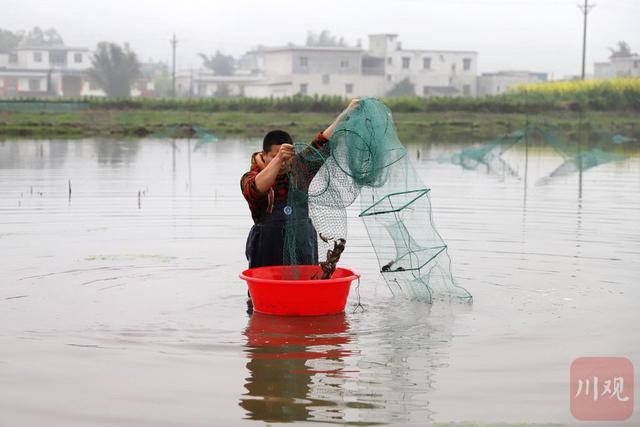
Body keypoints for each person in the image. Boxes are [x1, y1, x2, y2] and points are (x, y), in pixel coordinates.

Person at [241, 99, 358, 312]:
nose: (282, 162)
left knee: (305, 299)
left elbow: (322, 141)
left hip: (303, 244)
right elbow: (257, 188)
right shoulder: (249, 178)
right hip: (267, 250)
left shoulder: (300, 170)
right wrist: (279, 161)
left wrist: (347, 112)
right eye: (274, 156)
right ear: (264, 156)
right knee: (261, 308)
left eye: (285, 157)